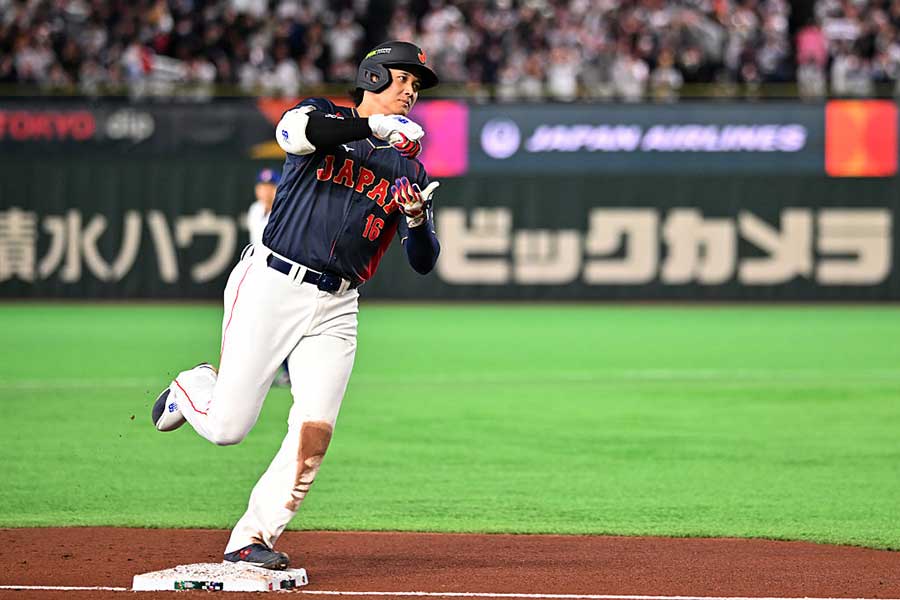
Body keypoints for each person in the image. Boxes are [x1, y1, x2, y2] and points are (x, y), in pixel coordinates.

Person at [150, 40, 441, 571]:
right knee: (227, 429)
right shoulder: (324, 115)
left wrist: (417, 219)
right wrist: (373, 127)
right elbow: (293, 133)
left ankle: (251, 536)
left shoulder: (409, 170)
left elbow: (423, 261)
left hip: (339, 305)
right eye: (402, 78)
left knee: (314, 431)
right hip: (274, 282)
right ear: (373, 76)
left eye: (416, 85)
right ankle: (193, 386)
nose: (410, 91)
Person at [246, 167, 291, 387]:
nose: (266, 191)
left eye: (271, 186)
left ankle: (289, 371)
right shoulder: (255, 210)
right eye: (262, 186)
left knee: (280, 327)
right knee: (262, 326)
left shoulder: (286, 211)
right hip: (259, 275)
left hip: (281, 276)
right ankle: (273, 370)